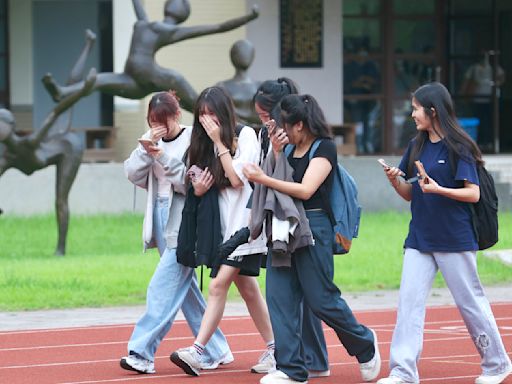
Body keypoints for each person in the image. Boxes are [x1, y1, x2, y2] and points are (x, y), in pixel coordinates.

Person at [378, 82, 512, 384]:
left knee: (470, 303)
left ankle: (497, 363)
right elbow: (411, 193)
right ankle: (403, 371)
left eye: (416, 109)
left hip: (455, 238)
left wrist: (439, 189)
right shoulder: (416, 146)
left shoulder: (459, 147)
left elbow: (473, 194)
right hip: (419, 238)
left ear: (433, 111)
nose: (412, 114)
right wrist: (393, 180)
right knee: (408, 303)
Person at [242, 94, 381, 384]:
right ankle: (292, 369)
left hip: (314, 226)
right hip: (285, 227)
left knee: (321, 300)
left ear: (300, 125)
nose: (282, 131)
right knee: (279, 298)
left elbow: (305, 190)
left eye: (285, 126)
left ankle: (365, 343)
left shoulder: (324, 148)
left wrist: (263, 178)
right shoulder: (288, 148)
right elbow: (279, 184)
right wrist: (277, 153)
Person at [121, 91, 232, 375]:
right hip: (160, 216)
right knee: (185, 291)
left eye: (164, 120)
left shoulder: (192, 138)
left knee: (162, 286)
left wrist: (162, 157)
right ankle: (217, 349)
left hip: (186, 220)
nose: (160, 126)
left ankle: (141, 352)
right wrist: (147, 149)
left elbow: (190, 183)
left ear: (176, 115)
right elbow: (132, 174)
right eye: (153, 121)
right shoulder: (151, 140)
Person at [170, 86, 275, 376]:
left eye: (211, 113)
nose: (206, 120)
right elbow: (197, 179)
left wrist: (218, 142)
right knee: (249, 290)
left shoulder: (247, 136)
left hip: (244, 227)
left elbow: (237, 178)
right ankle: (277, 348)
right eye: (202, 115)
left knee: (217, 286)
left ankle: (198, 350)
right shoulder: (201, 141)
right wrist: (198, 186)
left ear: (224, 112)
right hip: (220, 227)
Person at [42, 0, 259, 113]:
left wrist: (249, 17)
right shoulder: (144, 22)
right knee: (96, 80)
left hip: (152, 77)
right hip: (131, 81)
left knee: (183, 88)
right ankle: (62, 92)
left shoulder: (170, 30)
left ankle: (217, 117)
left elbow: (218, 27)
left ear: (181, 14)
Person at [253, 77, 331, 378]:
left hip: (302, 223)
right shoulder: (276, 137)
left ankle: (308, 358)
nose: (263, 121)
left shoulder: (312, 145)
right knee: (293, 295)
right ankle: (304, 360)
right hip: (282, 222)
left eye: (265, 115)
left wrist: (264, 172)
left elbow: (298, 186)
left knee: (311, 297)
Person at [216, 39, 261, 127]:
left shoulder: (260, 86)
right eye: (240, 52)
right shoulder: (222, 87)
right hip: (231, 134)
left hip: (257, 134)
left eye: (247, 52)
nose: (244, 55)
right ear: (232, 56)